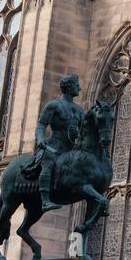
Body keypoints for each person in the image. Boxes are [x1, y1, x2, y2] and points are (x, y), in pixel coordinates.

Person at [27, 74, 85, 211]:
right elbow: (41, 125)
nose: (79, 88)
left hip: (71, 148)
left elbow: (83, 131)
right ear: (69, 87)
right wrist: (40, 139)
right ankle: (45, 200)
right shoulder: (54, 105)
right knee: (48, 164)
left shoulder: (79, 110)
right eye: (77, 86)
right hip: (54, 146)